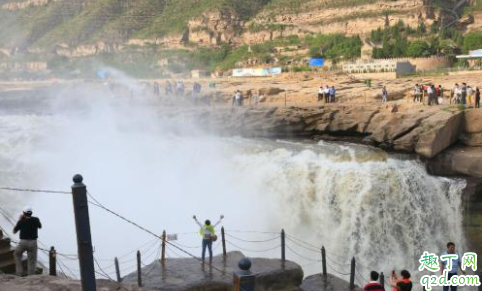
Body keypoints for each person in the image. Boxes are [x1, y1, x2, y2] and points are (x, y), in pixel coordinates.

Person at [13, 206, 42, 276]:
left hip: (23, 242)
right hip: (33, 242)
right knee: (31, 261)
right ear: (31, 213)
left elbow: (14, 231)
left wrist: (20, 219)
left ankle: (19, 272)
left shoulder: (21, 221)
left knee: (17, 254)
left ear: (23, 213)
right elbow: (40, 226)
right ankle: (30, 277)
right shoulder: (36, 219)